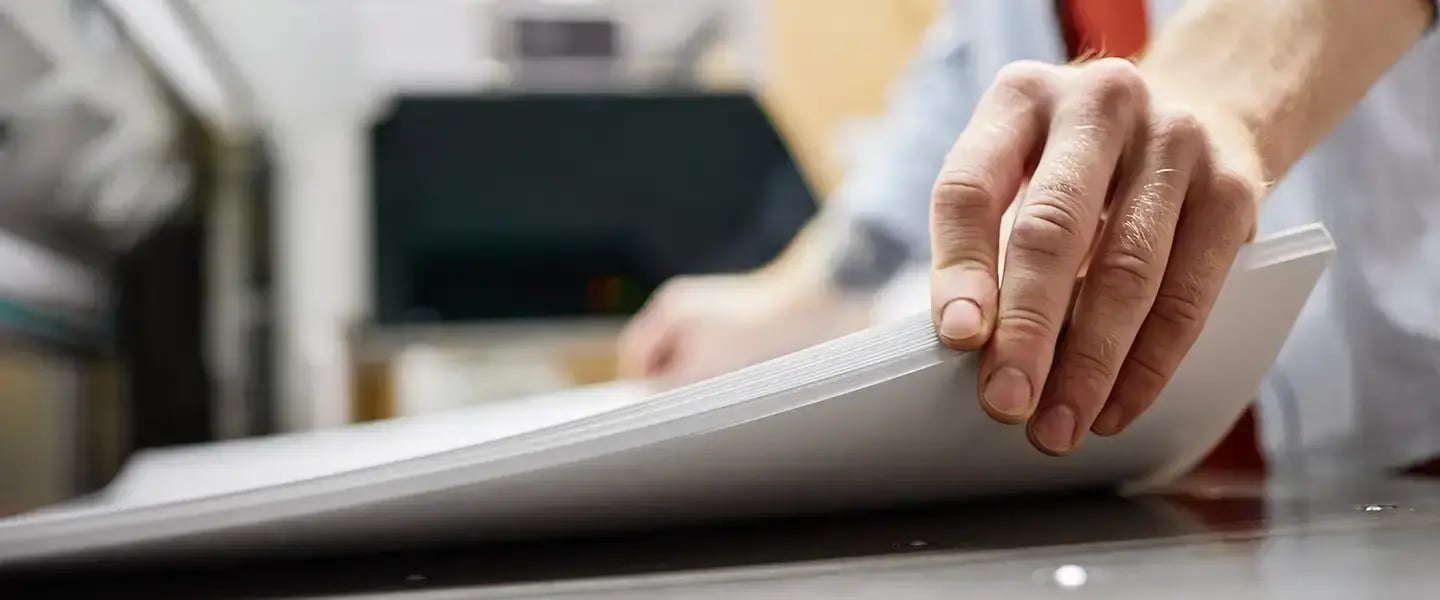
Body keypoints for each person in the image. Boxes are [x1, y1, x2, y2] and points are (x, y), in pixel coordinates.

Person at [619, 0, 1440, 479]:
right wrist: (795, 299)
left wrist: (1208, 97)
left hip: (1403, 449)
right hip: (1150, 476)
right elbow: (957, 85)